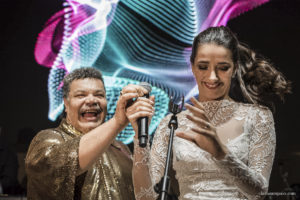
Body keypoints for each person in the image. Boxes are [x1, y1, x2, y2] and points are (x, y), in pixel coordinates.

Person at [130, 26, 291, 200]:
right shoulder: (171, 123)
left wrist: (220, 153)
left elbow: (259, 192)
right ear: (192, 67)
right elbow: (145, 197)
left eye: (223, 68)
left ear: (235, 68)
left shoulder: (257, 117)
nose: (212, 77)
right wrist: (140, 137)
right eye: (203, 66)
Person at [25, 67, 155, 200]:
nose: (92, 101)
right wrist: (117, 122)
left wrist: (140, 135)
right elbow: (63, 166)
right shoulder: (47, 140)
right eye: (81, 95)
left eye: (99, 95)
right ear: (66, 103)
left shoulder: (120, 148)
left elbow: (144, 195)